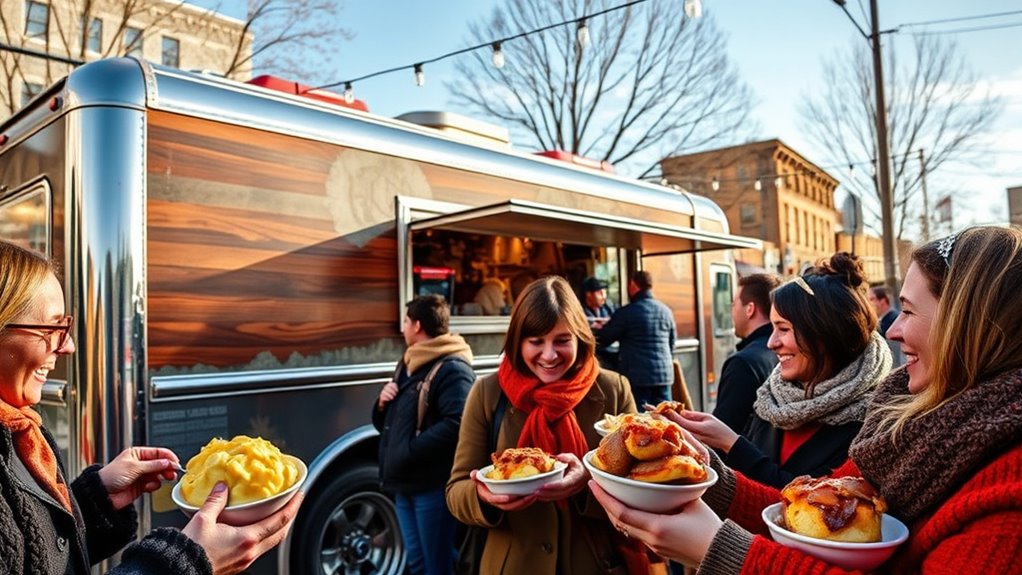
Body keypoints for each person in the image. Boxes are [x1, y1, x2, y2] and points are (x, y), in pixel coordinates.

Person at [591, 226, 1022, 573]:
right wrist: (708, 475)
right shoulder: (905, 424)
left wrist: (726, 552)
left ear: (968, 325)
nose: (891, 330)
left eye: (907, 311)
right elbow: (802, 509)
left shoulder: (1007, 490)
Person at [0, 240, 301, 575]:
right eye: (53, 328)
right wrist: (182, 565)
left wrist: (94, 503)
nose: (67, 345)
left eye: (65, 326)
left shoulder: (21, 428)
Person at [446, 276, 639, 574]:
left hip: (596, 562)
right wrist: (485, 498)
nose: (549, 355)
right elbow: (456, 490)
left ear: (580, 338)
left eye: (562, 341)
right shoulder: (487, 393)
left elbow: (638, 486)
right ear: (517, 341)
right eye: (536, 341)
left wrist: (586, 484)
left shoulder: (613, 390)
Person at [674, 253, 891, 488]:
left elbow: (811, 503)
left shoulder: (873, 425)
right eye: (772, 328)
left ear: (825, 335)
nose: (771, 343)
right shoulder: (774, 398)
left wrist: (732, 444)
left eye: (783, 329)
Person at [372, 294, 475, 575]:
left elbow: (458, 423)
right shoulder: (409, 362)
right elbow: (394, 423)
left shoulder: (453, 368)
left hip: (432, 487)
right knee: (417, 563)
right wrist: (382, 404)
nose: (403, 327)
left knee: (437, 565)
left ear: (417, 326)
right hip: (406, 484)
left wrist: (410, 451)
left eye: (405, 321)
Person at [712, 273, 780, 434]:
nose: (732, 312)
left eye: (733, 305)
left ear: (749, 309)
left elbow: (721, 431)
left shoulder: (742, 363)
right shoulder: (786, 352)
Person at [597, 270, 677, 407]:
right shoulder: (666, 311)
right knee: (666, 418)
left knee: (639, 421)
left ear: (633, 285)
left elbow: (603, 339)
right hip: (664, 376)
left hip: (637, 378)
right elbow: (671, 344)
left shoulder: (627, 312)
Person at [581, 276, 618, 370]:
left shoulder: (608, 307)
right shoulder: (580, 311)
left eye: (605, 292)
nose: (604, 296)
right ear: (588, 294)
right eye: (600, 293)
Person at [869, 285, 906, 367]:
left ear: (883, 300)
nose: (868, 303)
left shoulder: (894, 320)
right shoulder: (882, 320)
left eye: (871, 299)